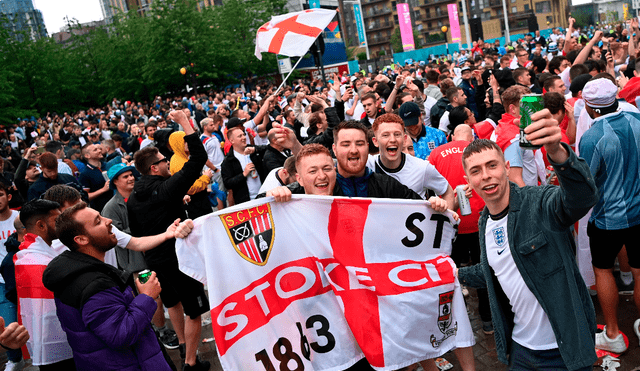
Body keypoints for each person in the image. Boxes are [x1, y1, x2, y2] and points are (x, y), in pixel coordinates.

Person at [458, 107, 598, 370]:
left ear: (506, 167)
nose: (486, 175)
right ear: (468, 180)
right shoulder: (484, 221)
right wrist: (453, 274)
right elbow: (496, 270)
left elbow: (582, 199)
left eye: (492, 165)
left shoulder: (539, 202)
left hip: (564, 351)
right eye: (476, 171)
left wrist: (557, 152)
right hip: (520, 350)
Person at [42, 202, 178, 371]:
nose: (109, 221)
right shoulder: (93, 286)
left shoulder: (77, 271)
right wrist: (147, 297)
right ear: (81, 239)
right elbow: (121, 334)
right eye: (98, 221)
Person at [127, 109, 210, 371]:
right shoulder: (165, 188)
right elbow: (198, 158)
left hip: (155, 260)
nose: (167, 163)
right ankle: (190, 362)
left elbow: (142, 225)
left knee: (172, 303)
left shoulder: (133, 196)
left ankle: (186, 347)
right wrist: (185, 122)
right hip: (179, 260)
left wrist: (177, 200)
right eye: (163, 160)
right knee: (194, 310)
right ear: (154, 167)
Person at [578, 78, 640, 353]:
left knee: (603, 270)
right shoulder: (638, 122)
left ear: (590, 107)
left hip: (606, 219)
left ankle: (613, 333)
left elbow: (586, 184)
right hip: (639, 215)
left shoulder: (592, 137)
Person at [14, 199, 76, 370]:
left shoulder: (41, 252)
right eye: (57, 221)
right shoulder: (33, 260)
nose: (62, 225)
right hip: (50, 339)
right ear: (41, 225)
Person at [79, 143, 112, 213]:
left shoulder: (107, 165)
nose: (100, 151)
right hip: (102, 210)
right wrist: (103, 189)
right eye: (95, 150)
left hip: (116, 205)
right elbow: (85, 197)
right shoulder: (85, 174)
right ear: (87, 155)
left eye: (99, 149)